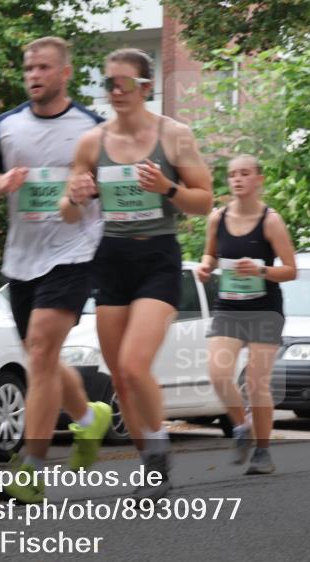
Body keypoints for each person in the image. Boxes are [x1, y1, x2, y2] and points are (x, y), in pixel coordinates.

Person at [0, 37, 111, 504]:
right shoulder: (6, 127)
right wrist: (0, 183)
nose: (34, 75)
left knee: (42, 351)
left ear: (65, 73)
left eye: (44, 67)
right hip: (23, 258)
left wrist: (91, 188)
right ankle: (89, 419)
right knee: (39, 355)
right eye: (29, 68)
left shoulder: (91, 128)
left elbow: (120, 184)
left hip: (75, 251)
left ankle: (31, 468)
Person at [60, 48, 212, 500]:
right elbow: (69, 213)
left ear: (146, 87)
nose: (115, 91)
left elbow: (204, 201)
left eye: (124, 82)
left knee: (132, 363)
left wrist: (165, 187)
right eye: (108, 83)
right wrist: (76, 195)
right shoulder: (92, 142)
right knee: (118, 374)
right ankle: (150, 458)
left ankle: (158, 448)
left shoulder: (174, 136)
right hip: (112, 257)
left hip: (158, 258)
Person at [196, 155, 297, 474]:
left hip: (264, 309)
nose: (237, 179)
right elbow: (210, 253)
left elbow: (291, 270)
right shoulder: (217, 217)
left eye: (245, 174)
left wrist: (261, 269)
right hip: (229, 305)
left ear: (258, 179)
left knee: (256, 384)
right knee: (217, 374)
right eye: (232, 175)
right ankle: (242, 428)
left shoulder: (271, 220)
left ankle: (263, 453)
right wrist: (205, 266)